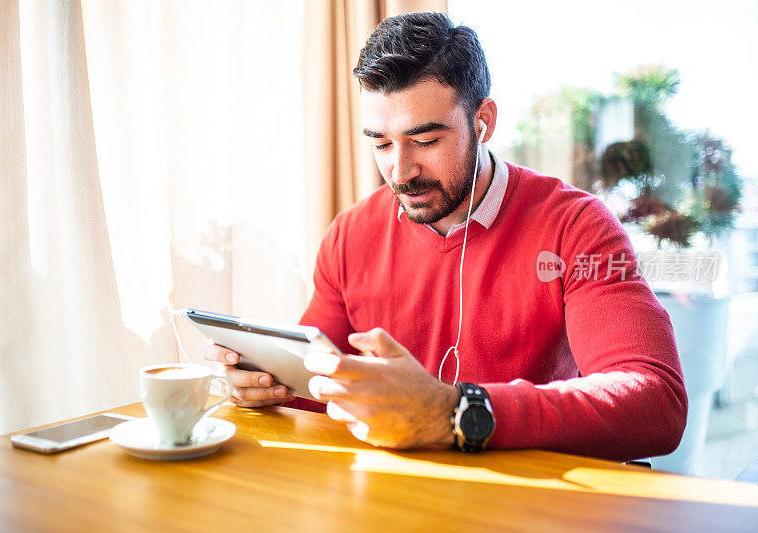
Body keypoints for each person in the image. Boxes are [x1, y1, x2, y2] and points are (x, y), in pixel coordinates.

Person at [204, 12, 687, 461]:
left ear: (484, 122)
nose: (400, 169)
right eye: (380, 143)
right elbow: (319, 388)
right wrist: (270, 386)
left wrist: (456, 411)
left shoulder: (577, 226)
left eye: (427, 140)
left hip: (532, 505)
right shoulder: (349, 235)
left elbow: (656, 401)